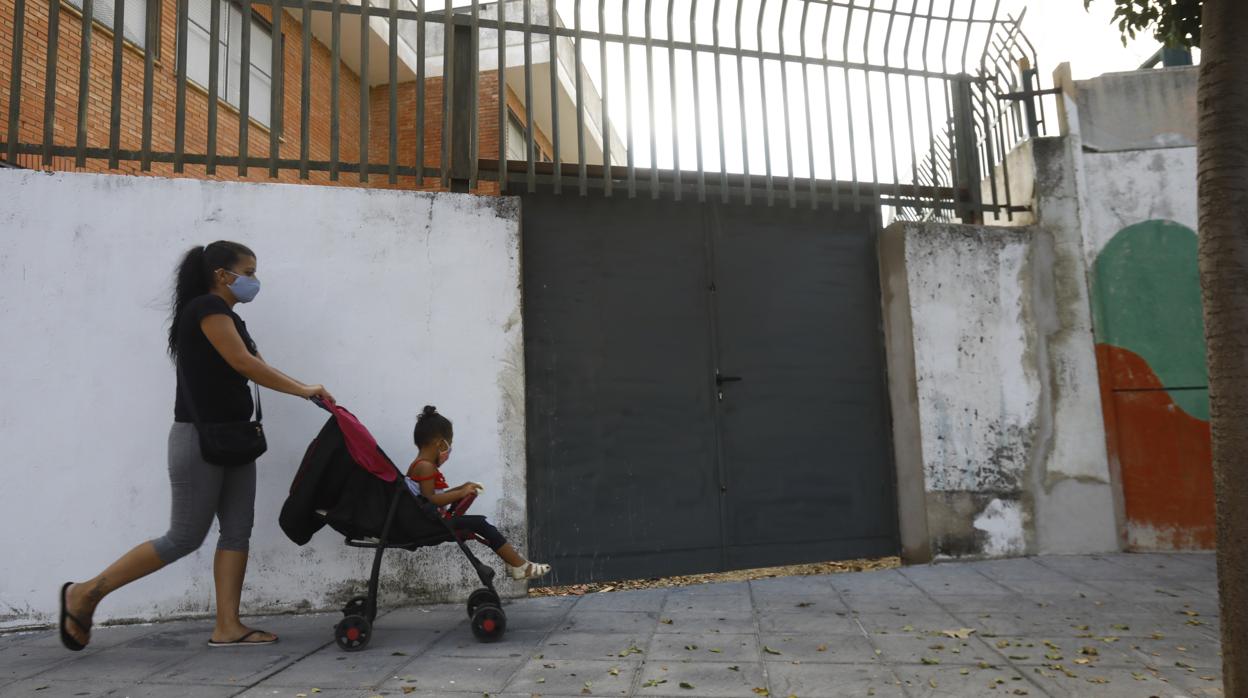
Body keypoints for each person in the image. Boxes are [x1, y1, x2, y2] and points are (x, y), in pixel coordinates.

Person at [59, 241, 335, 651]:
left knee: (238, 531)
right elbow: (244, 365)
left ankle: (228, 626)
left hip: (236, 437)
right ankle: (84, 593)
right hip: (199, 439)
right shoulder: (207, 310)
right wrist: (303, 389)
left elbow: (253, 364)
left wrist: (301, 387)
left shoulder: (232, 318)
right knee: (184, 536)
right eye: (249, 272)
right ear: (223, 275)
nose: (255, 281)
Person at [406, 406, 550, 580]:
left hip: (429, 521)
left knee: (480, 525)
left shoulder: (421, 465)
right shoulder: (425, 466)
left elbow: (430, 496)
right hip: (430, 524)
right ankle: (520, 567)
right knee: (481, 524)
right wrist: (460, 493)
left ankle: (516, 564)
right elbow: (431, 499)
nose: (449, 449)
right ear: (439, 443)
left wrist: (462, 488)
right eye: (448, 444)